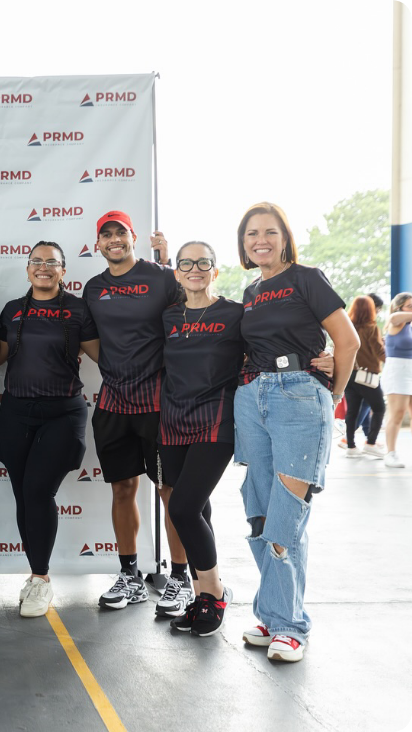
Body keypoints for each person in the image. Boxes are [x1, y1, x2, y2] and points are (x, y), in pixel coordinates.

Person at [234, 202, 358, 663]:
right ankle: (274, 616)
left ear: (285, 237)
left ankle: (289, 626)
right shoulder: (250, 291)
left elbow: (348, 341)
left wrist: (331, 392)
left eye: (270, 231)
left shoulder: (308, 278)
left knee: (287, 512)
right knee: (260, 511)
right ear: (243, 243)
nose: (260, 240)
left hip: (299, 396)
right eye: (251, 233)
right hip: (253, 398)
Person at [82, 211, 195, 617]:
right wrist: (116, 367)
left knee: (169, 492)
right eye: (106, 234)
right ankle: (130, 575)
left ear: (133, 237)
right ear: (98, 243)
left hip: (159, 405)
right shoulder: (94, 288)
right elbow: (90, 339)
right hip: (114, 404)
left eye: (121, 233)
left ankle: (181, 578)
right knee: (122, 490)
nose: (114, 239)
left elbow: (192, 315)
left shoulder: (161, 277)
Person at [0, 242, 99, 617]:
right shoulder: (11, 310)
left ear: (63, 271)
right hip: (16, 411)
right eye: (36, 261)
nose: (43, 267)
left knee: (38, 491)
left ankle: (41, 579)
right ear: (27, 270)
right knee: (24, 496)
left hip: (62, 413)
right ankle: (35, 574)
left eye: (51, 262)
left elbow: (105, 356)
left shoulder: (78, 310)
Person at [158, 242, 241, 636]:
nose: (195, 268)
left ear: (215, 270)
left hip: (215, 420)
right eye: (186, 263)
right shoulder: (168, 316)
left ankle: (214, 594)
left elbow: (269, 343)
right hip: (173, 421)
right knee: (199, 510)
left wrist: (321, 356)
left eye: (203, 262)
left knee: (183, 508)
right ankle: (200, 594)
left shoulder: (234, 313)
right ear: (176, 273)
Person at [342, 295, 387, 459]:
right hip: (367, 375)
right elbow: (378, 351)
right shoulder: (371, 327)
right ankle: (371, 443)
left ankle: (351, 446)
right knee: (379, 408)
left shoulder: (347, 327)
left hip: (349, 375)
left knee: (352, 411)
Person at [381, 292, 412, 468]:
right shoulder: (396, 321)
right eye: (410, 306)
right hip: (397, 371)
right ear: (400, 307)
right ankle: (390, 453)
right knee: (398, 413)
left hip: (410, 369)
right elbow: (394, 317)